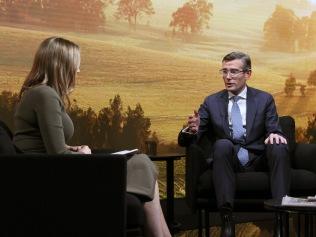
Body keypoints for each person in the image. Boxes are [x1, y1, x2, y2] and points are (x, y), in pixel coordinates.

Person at [13, 37, 171, 237]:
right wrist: (84, 154)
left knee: (143, 164)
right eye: (76, 64)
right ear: (61, 65)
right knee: (141, 163)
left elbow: (42, 144)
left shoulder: (39, 93)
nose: (78, 70)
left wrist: (72, 148)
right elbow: (56, 156)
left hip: (49, 171)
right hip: (53, 179)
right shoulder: (45, 95)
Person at [178, 52, 290, 237]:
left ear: (248, 74)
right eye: (224, 71)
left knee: (278, 145)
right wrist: (192, 129)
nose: (227, 77)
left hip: (258, 158)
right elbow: (187, 140)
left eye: (233, 72)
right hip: (228, 160)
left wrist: (275, 134)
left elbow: (273, 126)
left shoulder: (264, 99)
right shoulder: (212, 101)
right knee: (222, 144)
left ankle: (280, 221)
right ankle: (227, 222)